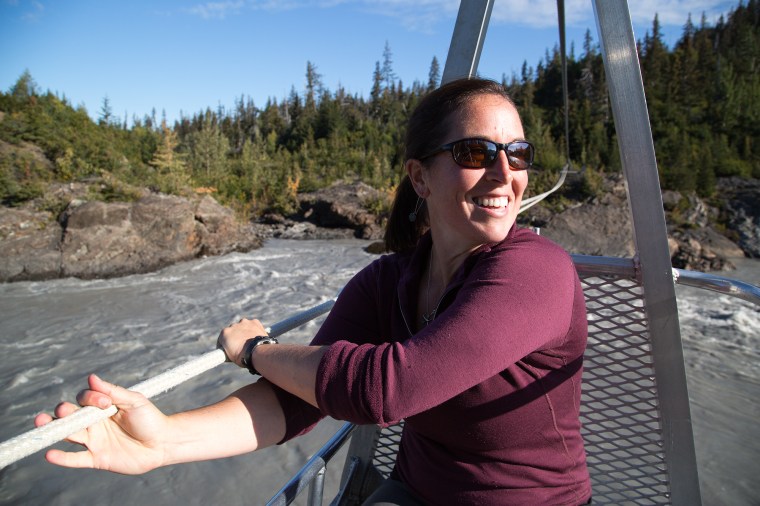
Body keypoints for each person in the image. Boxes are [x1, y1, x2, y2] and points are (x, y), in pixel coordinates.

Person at [36, 78, 591, 505]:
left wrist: (255, 351)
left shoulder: (536, 272)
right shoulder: (388, 282)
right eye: (476, 152)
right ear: (420, 178)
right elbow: (301, 400)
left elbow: (384, 390)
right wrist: (161, 441)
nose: (504, 172)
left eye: (517, 153)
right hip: (418, 492)